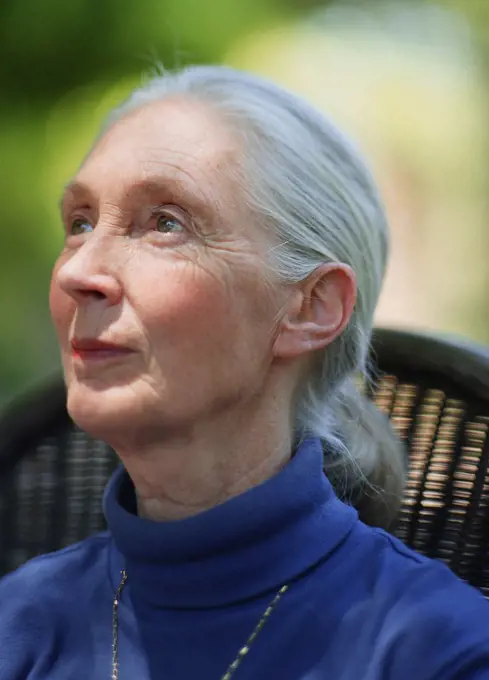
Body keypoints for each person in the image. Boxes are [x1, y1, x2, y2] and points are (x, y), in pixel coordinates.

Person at [1, 65, 488, 680]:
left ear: (311, 308)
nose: (78, 273)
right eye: (81, 223)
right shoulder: (19, 623)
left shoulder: (440, 652)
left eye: (165, 224)